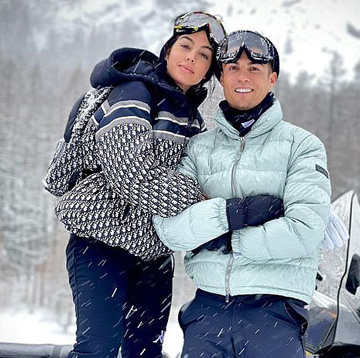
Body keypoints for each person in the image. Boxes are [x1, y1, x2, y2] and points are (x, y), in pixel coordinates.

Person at [44, 11, 227, 358]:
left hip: (153, 258)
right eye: (185, 46)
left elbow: (211, 178)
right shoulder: (133, 91)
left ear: (209, 71)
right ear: (168, 50)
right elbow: (131, 172)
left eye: (204, 54)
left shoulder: (193, 120)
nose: (192, 57)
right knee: (97, 351)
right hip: (101, 245)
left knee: (144, 353)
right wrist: (198, 199)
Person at [153, 30, 333, 358]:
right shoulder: (198, 149)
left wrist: (226, 242)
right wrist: (233, 214)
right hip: (207, 311)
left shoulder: (301, 146)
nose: (243, 77)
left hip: (275, 312)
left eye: (254, 69)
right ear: (220, 77)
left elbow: (304, 231)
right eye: (233, 68)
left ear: (272, 78)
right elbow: (170, 230)